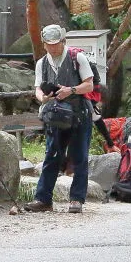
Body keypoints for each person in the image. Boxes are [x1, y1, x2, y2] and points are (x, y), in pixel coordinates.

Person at [24, 25, 95, 214]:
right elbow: (38, 88)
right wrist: (42, 98)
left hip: (79, 114)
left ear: (63, 42)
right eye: (49, 45)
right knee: (51, 156)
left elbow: (89, 85)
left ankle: (76, 199)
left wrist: (70, 90)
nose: (53, 48)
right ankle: (43, 199)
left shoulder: (77, 58)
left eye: (56, 44)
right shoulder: (42, 63)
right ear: (44, 44)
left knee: (80, 156)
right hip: (55, 116)